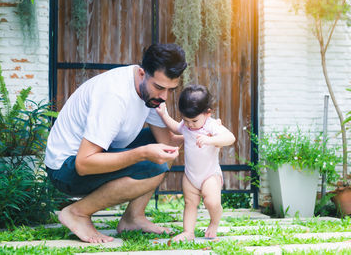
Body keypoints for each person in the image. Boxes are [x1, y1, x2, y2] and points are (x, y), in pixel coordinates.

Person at [44, 43, 187, 243]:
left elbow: (166, 142)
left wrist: (195, 136)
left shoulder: (151, 95)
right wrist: (142, 153)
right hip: (65, 168)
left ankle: (133, 218)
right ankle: (77, 213)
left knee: (165, 151)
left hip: (97, 154)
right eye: (159, 87)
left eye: (171, 90)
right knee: (152, 162)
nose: (164, 96)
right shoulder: (114, 96)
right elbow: (83, 164)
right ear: (141, 73)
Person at [156, 84, 236, 242]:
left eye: (193, 120)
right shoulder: (186, 126)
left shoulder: (211, 125)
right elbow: (175, 127)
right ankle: (188, 232)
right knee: (190, 203)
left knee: (212, 202)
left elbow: (230, 138)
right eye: (186, 120)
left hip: (209, 175)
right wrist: (163, 115)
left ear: (207, 113)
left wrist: (211, 139)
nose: (189, 124)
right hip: (190, 175)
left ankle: (214, 222)